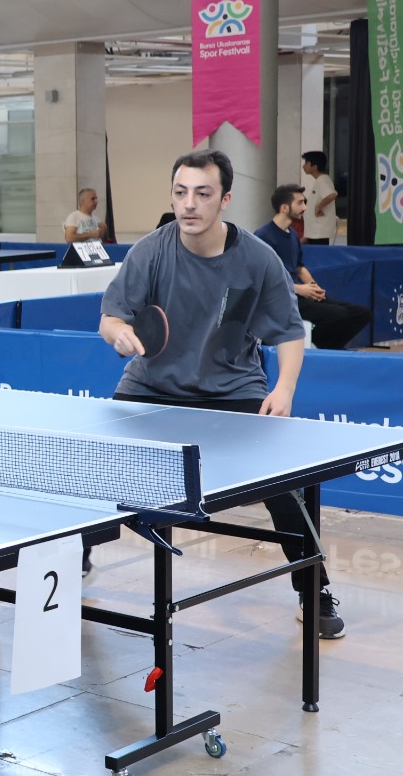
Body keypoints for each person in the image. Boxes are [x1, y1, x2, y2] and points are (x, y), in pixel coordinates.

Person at [100, 148, 343, 638]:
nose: (189, 204)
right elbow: (110, 317)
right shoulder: (150, 251)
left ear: (225, 199)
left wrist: (285, 388)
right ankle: (75, 555)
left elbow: (289, 332)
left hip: (233, 388)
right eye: (181, 192)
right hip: (151, 386)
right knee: (93, 469)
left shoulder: (258, 259)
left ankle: (312, 588)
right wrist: (118, 333)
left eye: (202, 193)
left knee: (282, 488)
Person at [254, 184, 372, 350]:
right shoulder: (263, 237)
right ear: (284, 208)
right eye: (300, 203)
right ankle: (319, 346)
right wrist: (299, 289)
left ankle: (325, 345)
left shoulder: (293, 235)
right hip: (282, 301)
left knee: (362, 314)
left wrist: (314, 288)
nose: (305, 208)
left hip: (300, 295)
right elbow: (264, 280)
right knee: (339, 315)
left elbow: (299, 268)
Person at [300, 151, 339, 245]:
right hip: (315, 232)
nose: (303, 166)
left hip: (319, 233)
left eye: (306, 163)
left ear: (315, 166)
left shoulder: (322, 180)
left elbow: (332, 194)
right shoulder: (320, 180)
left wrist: (319, 206)